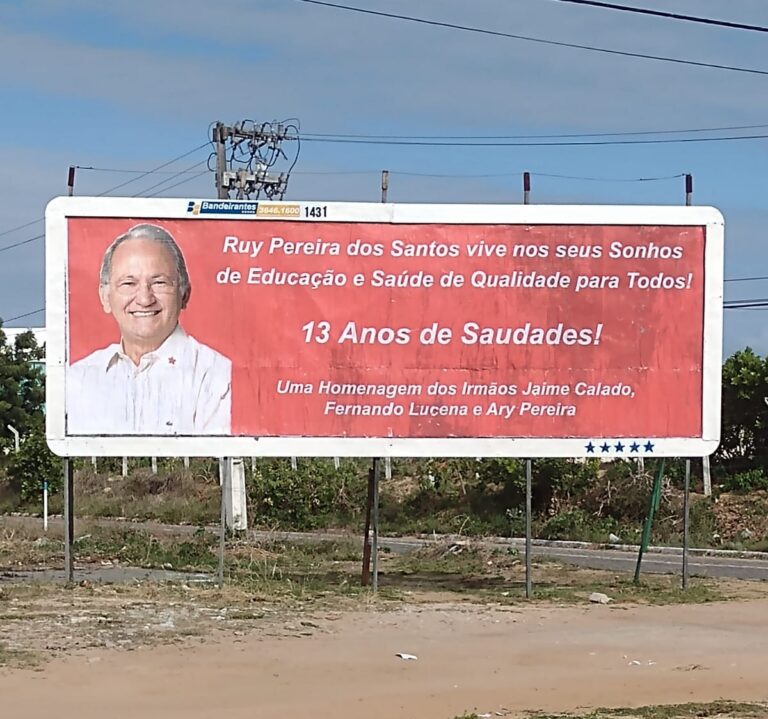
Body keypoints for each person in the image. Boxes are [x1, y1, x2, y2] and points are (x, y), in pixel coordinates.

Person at [67, 223, 232, 435]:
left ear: (184, 294)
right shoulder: (78, 378)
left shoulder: (217, 374)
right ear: (105, 297)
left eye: (159, 283)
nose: (145, 299)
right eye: (128, 284)